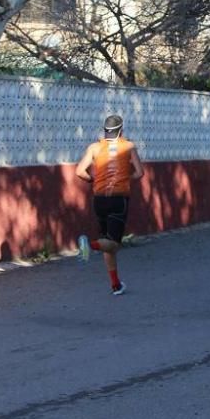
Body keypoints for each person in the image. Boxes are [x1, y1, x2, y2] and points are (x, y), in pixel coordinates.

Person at [75, 114, 145, 296]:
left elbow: (80, 171)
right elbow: (139, 173)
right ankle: (88, 246)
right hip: (118, 198)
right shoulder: (128, 146)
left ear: (105, 130)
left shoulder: (94, 147)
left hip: (99, 198)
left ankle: (115, 285)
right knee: (113, 244)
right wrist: (125, 178)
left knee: (108, 241)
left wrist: (93, 180)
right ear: (121, 130)